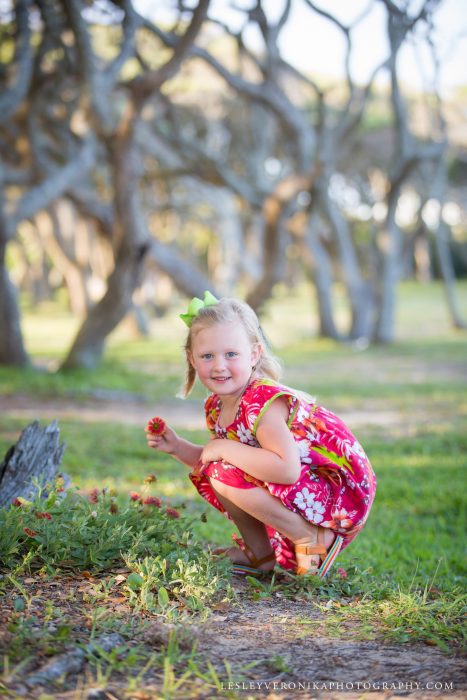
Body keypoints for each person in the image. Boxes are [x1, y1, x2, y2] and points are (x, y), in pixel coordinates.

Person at [145, 291, 376, 577]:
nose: (219, 365)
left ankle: (311, 537)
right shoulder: (217, 406)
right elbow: (216, 459)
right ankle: (261, 555)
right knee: (219, 469)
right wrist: (177, 447)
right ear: (192, 359)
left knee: (222, 468)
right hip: (309, 487)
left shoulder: (262, 402)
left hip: (338, 491)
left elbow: (287, 470)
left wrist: (223, 448)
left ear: (254, 354)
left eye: (231, 354)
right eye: (207, 356)